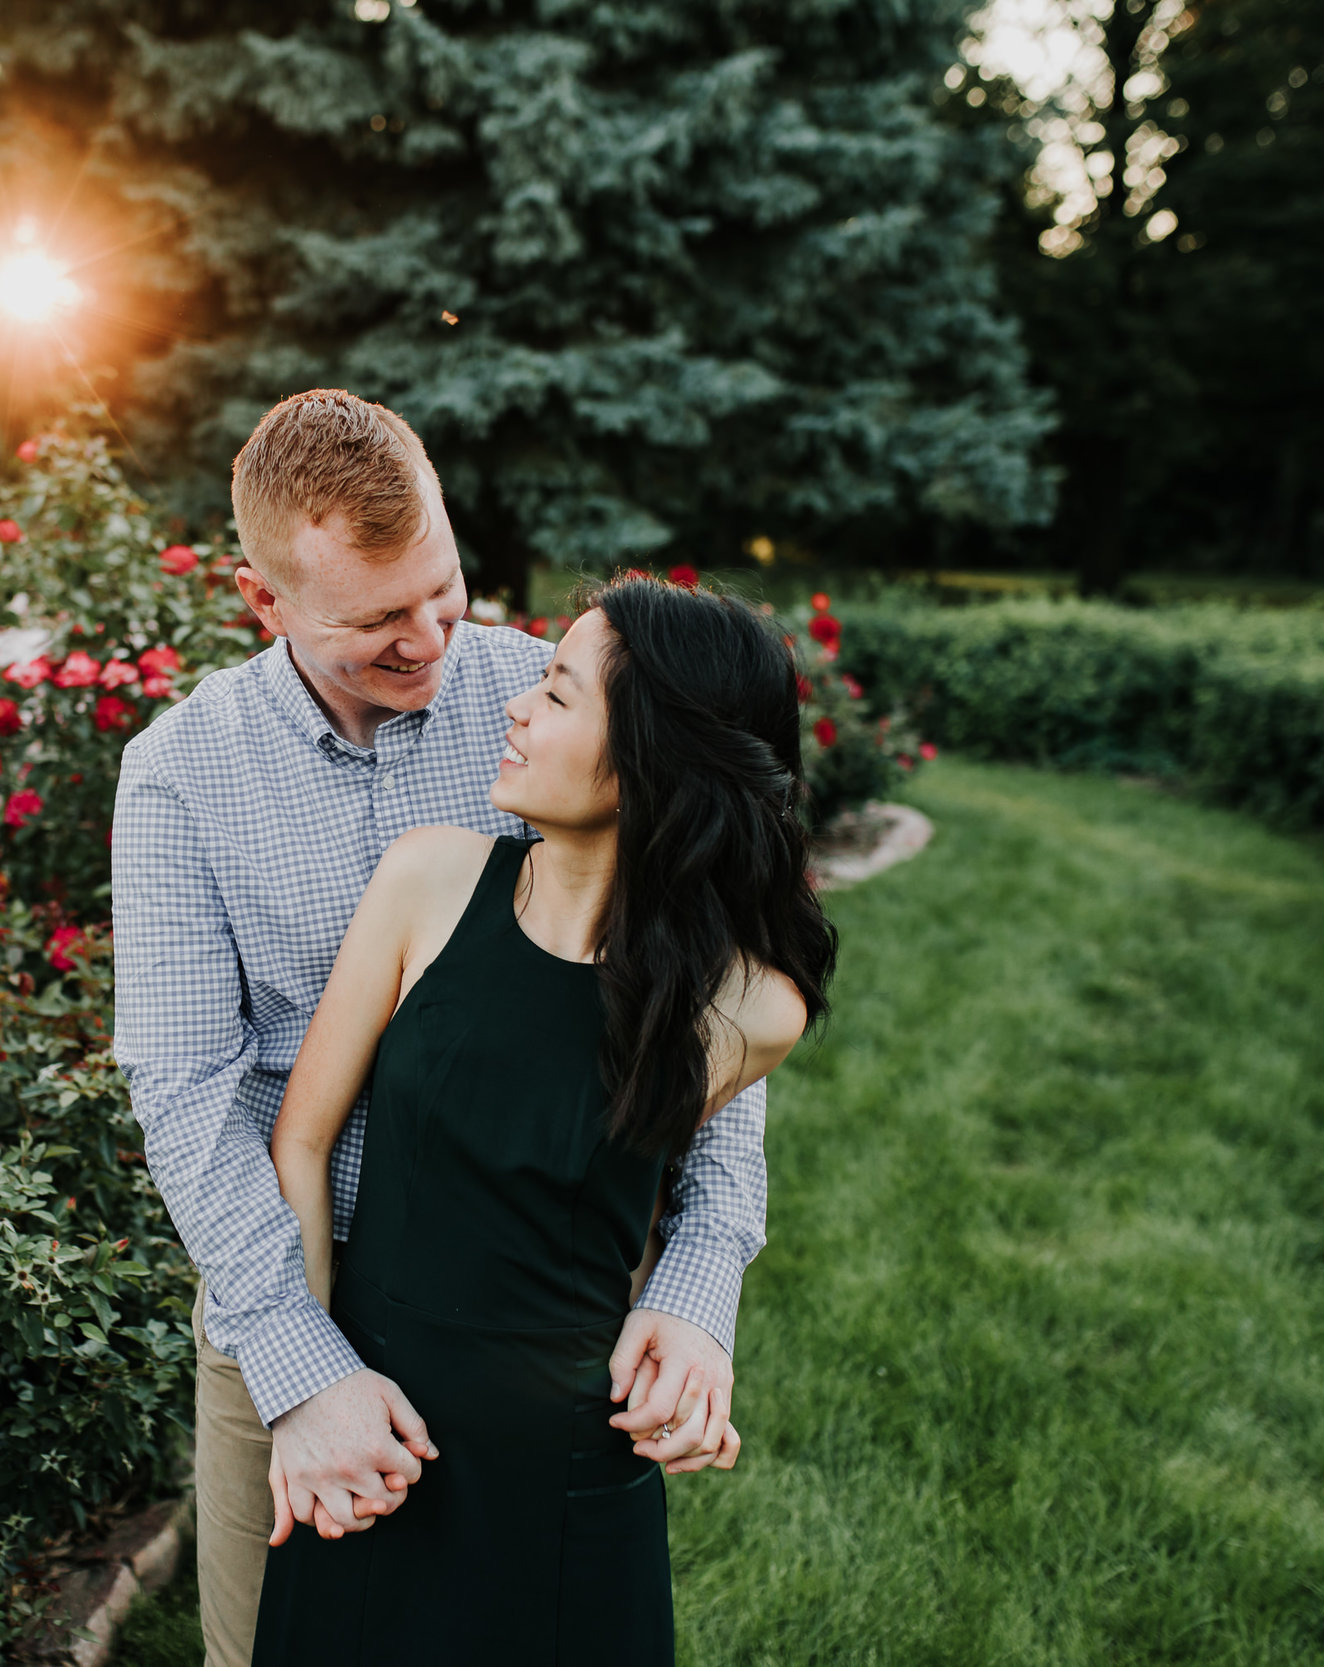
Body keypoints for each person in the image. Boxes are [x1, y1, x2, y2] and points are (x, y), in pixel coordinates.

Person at [111, 391, 776, 1667]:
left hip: (538, 1292)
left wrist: (696, 1287)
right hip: (286, 1282)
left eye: (444, 590)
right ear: (265, 605)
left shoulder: (560, 703)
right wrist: (303, 1373)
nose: (429, 639)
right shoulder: (181, 776)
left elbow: (704, 1007)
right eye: (373, 620)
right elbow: (189, 1094)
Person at [253, 578, 835, 1662]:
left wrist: (695, 1310)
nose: (518, 709)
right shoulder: (428, 879)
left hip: (568, 1477)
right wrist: (317, 1381)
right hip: (376, 1440)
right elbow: (301, 1139)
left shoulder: (751, 1005)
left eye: (559, 695)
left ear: (649, 760)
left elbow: (689, 1182)